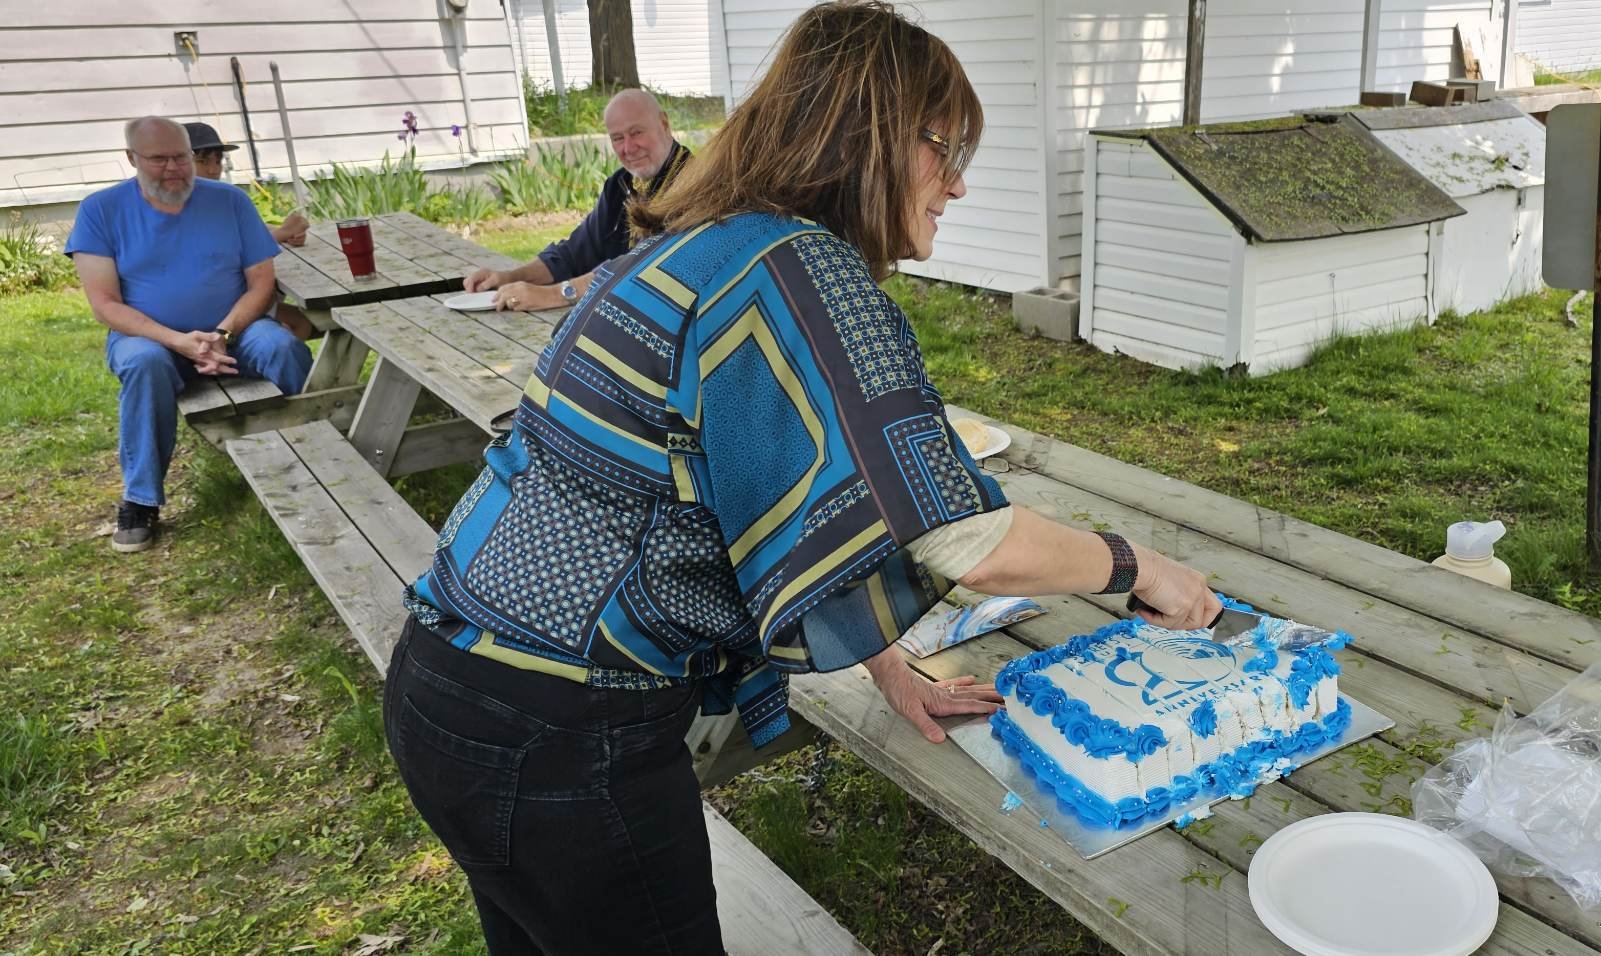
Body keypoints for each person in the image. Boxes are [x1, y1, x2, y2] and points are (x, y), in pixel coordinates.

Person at [382, 3, 1220, 951]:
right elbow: (968, 543)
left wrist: (888, 667)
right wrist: (1144, 566)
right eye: (946, 150)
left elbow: (790, 497)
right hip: (565, 736)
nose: (957, 185)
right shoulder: (800, 271)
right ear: (871, 139)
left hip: (449, 688)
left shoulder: (703, 248)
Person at [66, 117, 313, 552]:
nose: (173, 168)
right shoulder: (100, 210)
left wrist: (221, 333)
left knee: (282, 347)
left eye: (181, 157)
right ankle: (140, 500)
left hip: (235, 332)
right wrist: (179, 341)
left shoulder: (230, 201)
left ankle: (312, 460)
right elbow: (105, 304)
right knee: (143, 365)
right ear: (132, 159)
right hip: (150, 339)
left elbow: (261, 284)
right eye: (158, 159)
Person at [461, 88, 689, 313]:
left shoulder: (692, 184)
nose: (628, 148)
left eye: (637, 132)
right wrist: (508, 278)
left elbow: (640, 269)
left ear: (664, 124)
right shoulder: (621, 185)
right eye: (617, 138)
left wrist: (555, 294)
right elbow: (574, 253)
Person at [185, 121, 316, 340]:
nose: (213, 169)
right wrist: (283, 233)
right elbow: (229, 240)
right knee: (302, 322)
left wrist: (287, 231)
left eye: (217, 161)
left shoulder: (221, 199)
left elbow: (249, 229)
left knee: (304, 321)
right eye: (202, 161)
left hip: (242, 296)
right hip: (221, 305)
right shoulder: (180, 203)